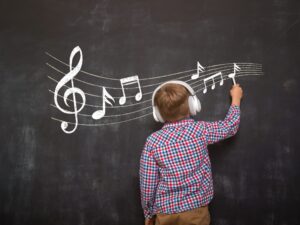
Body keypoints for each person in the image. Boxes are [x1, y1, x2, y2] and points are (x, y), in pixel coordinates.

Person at [139, 80, 243, 225]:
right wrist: (236, 99)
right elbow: (230, 126)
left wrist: (149, 212)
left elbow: (147, 183)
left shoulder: (153, 142)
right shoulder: (200, 130)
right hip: (196, 211)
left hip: (165, 211)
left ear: (158, 113)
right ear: (193, 105)